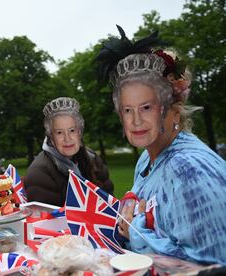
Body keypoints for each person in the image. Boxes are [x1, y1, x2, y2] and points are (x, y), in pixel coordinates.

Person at [96, 25, 226, 264]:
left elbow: (214, 262)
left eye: (147, 107)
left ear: (175, 112)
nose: (136, 121)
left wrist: (137, 233)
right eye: (127, 110)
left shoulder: (189, 169)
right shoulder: (147, 158)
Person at [24, 97, 114, 207]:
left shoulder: (92, 158)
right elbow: (47, 220)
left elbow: (110, 200)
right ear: (51, 138)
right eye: (59, 132)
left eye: (72, 130)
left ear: (79, 133)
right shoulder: (38, 174)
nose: (67, 138)